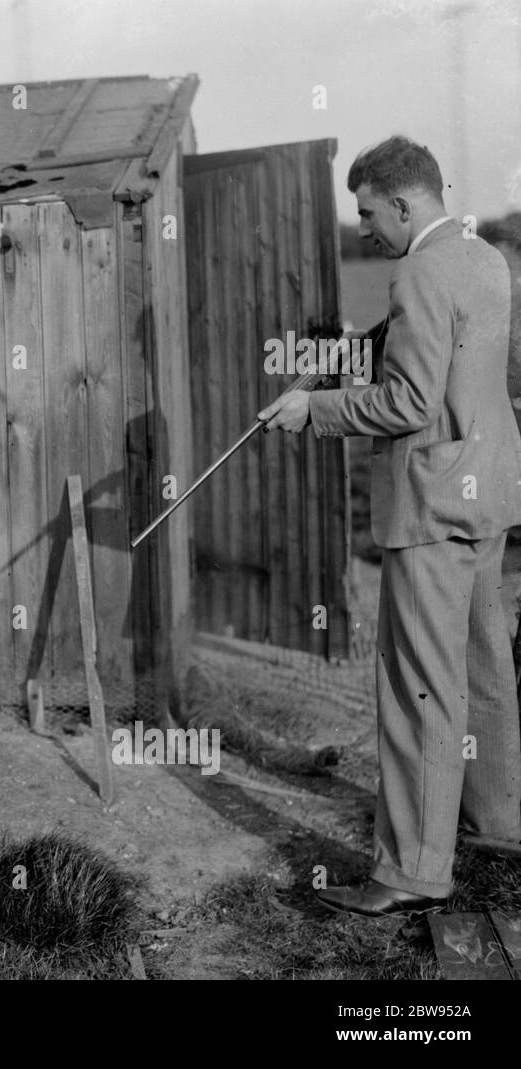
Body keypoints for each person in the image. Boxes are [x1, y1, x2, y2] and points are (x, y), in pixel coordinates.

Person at [259, 136, 521, 916]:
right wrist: (369, 345)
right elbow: (455, 365)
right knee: (483, 669)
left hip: (432, 507)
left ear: (404, 203)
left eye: (371, 214)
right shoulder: (486, 258)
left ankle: (410, 871)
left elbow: (408, 404)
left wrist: (315, 408)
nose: (366, 231)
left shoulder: (415, 271)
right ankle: (497, 821)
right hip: (489, 496)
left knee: (417, 690)